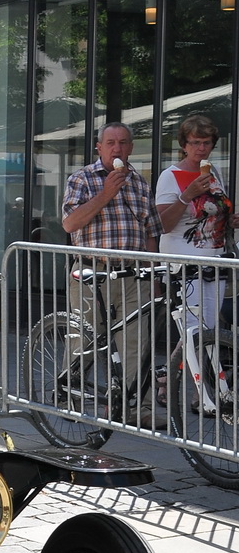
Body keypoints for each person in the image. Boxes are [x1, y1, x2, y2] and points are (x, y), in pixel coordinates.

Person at [61, 123, 163, 423]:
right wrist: (106, 193)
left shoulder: (140, 183)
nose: (116, 149)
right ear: (99, 147)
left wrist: (153, 275)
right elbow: (69, 224)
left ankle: (131, 407)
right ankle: (70, 398)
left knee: (136, 342)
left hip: (131, 275)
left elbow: (151, 234)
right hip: (93, 272)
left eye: (122, 143)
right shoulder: (82, 179)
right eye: (110, 143)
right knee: (85, 339)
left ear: (130, 147)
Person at [154, 112, 231, 338]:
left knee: (210, 325)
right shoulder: (170, 176)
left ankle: (188, 370)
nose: (201, 148)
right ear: (184, 145)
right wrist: (187, 195)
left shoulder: (213, 172)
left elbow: (213, 214)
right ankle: (192, 371)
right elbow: (162, 224)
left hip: (215, 259)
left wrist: (230, 219)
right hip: (185, 262)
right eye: (195, 142)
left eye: (206, 143)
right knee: (194, 326)